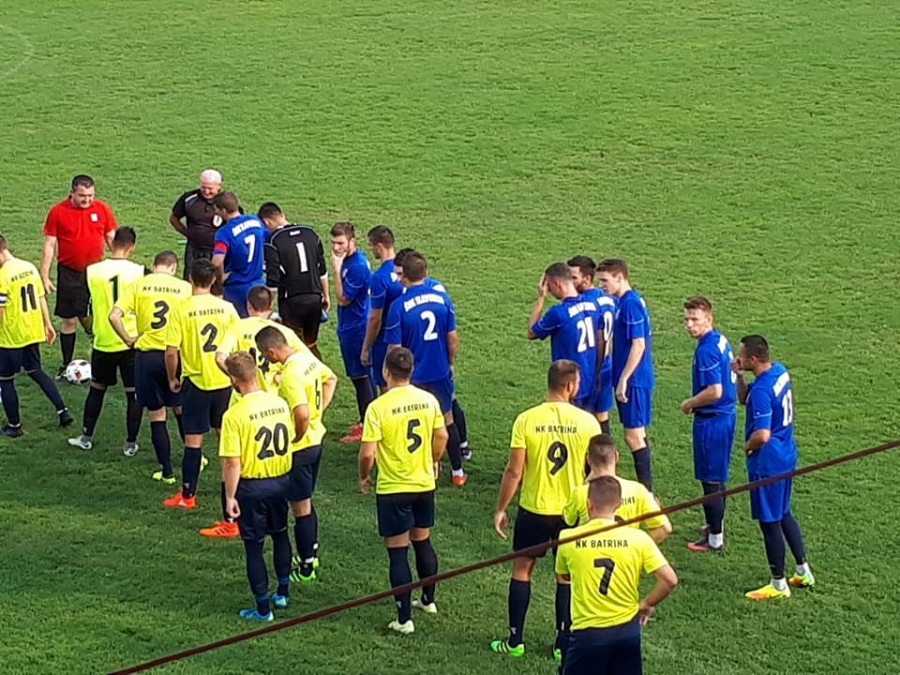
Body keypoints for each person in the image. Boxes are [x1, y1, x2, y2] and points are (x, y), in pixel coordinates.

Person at [490, 360, 602, 660]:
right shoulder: (588, 423)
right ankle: (562, 645)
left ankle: (515, 641)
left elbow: (514, 471)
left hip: (534, 509)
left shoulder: (526, 420)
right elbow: (597, 470)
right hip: (572, 513)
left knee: (522, 570)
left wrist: (501, 509)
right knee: (565, 577)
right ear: (570, 386)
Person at [358, 347, 448, 635]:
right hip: (424, 483)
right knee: (422, 541)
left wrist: (364, 475)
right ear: (411, 370)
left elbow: (367, 453)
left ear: (386, 371)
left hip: (394, 487)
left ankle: (404, 619)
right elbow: (442, 435)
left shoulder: (378, 407)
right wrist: (434, 460)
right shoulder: (429, 400)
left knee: (398, 552)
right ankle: (429, 600)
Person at [556, 476, 678, 675]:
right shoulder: (639, 539)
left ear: (588, 504)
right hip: (627, 632)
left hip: (588, 634)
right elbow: (670, 580)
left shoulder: (567, 538)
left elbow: (564, 576)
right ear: (619, 504)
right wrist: (648, 603)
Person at [735, 335, 815, 600]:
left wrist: (747, 446)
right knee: (783, 512)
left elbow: (762, 434)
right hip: (786, 454)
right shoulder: (779, 371)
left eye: (741, 356)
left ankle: (778, 584)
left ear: (753, 359)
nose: (738, 358)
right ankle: (803, 571)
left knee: (770, 522)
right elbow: (745, 399)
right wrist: (739, 376)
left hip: (768, 463)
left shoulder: (762, 391)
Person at [257, 326, 338, 582]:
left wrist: (297, 435)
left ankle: (306, 568)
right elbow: (331, 379)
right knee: (305, 502)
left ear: (271, 351)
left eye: (265, 355)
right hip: (317, 440)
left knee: (300, 507)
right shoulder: (306, 359)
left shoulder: (290, 376)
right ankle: (311, 553)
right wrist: (318, 414)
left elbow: (301, 414)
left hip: (301, 448)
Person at [218, 352, 293, 622]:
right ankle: (283, 593)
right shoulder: (279, 404)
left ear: (234, 379)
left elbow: (232, 462)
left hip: (252, 487)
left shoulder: (234, 415)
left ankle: (262, 609)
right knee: (281, 534)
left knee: (254, 546)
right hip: (281, 480)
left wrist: (229, 497)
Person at [163, 259, 239, 518]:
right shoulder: (227, 309)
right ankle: (232, 497)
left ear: (190, 279)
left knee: (193, 440)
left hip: (196, 382)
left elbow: (171, 352)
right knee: (227, 444)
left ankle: (188, 496)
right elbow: (238, 344)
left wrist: (172, 378)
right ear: (214, 280)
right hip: (224, 381)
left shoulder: (181, 310)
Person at [385, 251, 467, 486]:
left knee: (413, 419)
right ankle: (458, 472)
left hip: (413, 374)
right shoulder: (443, 299)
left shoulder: (399, 306)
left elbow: (395, 348)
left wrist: (389, 371)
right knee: (447, 419)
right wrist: (450, 362)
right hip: (439, 371)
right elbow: (452, 338)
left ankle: (418, 465)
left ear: (404, 276)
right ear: (426, 273)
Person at [110, 250, 191, 483]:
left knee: (157, 415)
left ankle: (167, 472)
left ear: (154, 266)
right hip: (176, 354)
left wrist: (128, 339)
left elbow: (114, 316)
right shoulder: (184, 288)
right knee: (180, 407)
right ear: (174, 267)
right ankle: (195, 456)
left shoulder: (139, 285)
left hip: (148, 357)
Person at [68, 227, 145, 454]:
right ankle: (130, 444)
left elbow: (81, 309)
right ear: (132, 247)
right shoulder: (140, 272)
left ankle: (86, 437)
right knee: (132, 393)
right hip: (132, 341)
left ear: (112, 244)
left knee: (97, 389)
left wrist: (91, 330)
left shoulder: (92, 271)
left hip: (104, 341)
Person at [40, 174, 118, 377]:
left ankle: (106, 358)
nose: (87, 200)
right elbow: (49, 245)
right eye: (82, 196)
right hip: (69, 272)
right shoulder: (58, 212)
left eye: (90, 195)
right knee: (69, 319)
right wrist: (44, 276)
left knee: (100, 316)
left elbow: (111, 238)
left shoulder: (102, 209)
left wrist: (121, 263)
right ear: (72, 193)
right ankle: (66, 364)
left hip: (96, 272)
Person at [0, 234, 74, 435]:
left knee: (5, 380)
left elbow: (1, 309)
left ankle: (14, 426)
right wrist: (48, 324)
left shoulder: (2, 276)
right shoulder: (29, 267)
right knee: (36, 370)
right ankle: (63, 411)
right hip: (32, 331)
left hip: (11, 336)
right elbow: (40, 297)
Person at [680, 296, 737, 552]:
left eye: (695, 319)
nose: (689, 325)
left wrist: (690, 403)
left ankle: (715, 539)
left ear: (709, 319)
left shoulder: (706, 350)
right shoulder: (719, 339)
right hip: (726, 416)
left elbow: (714, 391)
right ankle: (716, 523)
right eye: (686, 319)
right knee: (718, 476)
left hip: (712, 421)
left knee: (710, 480)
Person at [596, 258, 655, 491]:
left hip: (635, 380)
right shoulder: (624, 301)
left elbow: (639, 345)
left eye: (605, 280)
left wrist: (624, 379)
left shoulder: (630, 304)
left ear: (619, 278)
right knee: (637, 433)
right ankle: (647, 490)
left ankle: (647, 493)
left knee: (633, 436)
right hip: (634, 379)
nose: (602, 285)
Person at [562, 434, 671, 543]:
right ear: (617, 456)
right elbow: (664, 528)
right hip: (627, 553)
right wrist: (638, 547)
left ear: (588, 459)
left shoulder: (580, 492)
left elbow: (568, 520)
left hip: (589, 552)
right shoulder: (637, 490)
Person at [528, 263, 601, 417]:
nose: (549, 290)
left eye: (549, 286)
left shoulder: (558, 313)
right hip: (590, 379)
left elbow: (532, 333)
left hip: (569, 383)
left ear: (557, 284)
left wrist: (541, 298)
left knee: (569, 426)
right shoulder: (593, 304)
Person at [258, 202, 329, 360]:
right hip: (314, 297)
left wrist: (268, 305)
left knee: (293, 346)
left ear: (267, 222)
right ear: (282, 214)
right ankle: (319, 371)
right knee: (311, 344)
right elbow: (322, 269)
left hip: (291, 301)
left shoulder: (273, 241)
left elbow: (273, 280)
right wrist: (326, 295)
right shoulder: (311, 233)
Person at [329, 222, 375, 443]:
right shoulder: (351, 261)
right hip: (351, 324)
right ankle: (366, 420)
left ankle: (367, 425)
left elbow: (343, 298)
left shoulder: (356, 266)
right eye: (333, 243)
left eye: (340, 243)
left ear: (352, 241)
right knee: (361, 376)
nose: (336, 247)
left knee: (361, 377)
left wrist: (336, 270)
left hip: (356, 327)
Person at [568, 256, 616, 434]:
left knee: (580, 416)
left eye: (574, 278)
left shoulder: (584, 304)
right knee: (602, 416)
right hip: (606, 365)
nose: (570, 282)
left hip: (589, 367)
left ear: (587, 279)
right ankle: (606, 451)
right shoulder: (609, 299)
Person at [360, 226, 402, 392]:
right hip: (406, 337)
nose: (371, 249)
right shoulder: (406, 270)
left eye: (371, 245)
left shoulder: (379, 278)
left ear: (379, 246)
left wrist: (366, 348)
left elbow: (375, 319)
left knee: (386, 387)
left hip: (384, 340)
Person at [211, 191, 266, 318]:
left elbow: (217, 262)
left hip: (236, 288)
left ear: (223, 211)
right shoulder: (255, 221)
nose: (215, 212)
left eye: (216, 209)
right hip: (259, 283)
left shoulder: (224, 233)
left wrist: (220, 278)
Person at [169, 169, 224, 277]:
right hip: (194, 250)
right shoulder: (189, 198)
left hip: (217, 251)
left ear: (219, 186)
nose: (206, 192)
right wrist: (188, 234)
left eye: (210, 188)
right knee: (190, 278)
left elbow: (235, 225)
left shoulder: (226, 201)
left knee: (217, 280)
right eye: (203, 187)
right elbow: (174, 218)